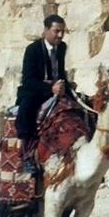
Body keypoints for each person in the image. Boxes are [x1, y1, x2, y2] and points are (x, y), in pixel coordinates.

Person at [14, 14, 71, 142]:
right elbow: (28, 80)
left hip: (57, 89)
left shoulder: (62, 47)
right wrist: (51, 88)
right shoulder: (32, 50)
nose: (60, 35)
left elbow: (59, 72)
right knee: (27, 109)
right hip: (37, 91)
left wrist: (66, 85)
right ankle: (26, 147)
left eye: (63, 31)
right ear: (46, 31)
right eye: (57, 31)